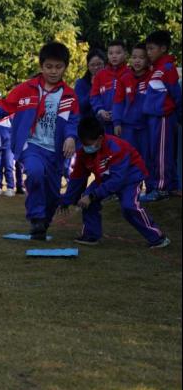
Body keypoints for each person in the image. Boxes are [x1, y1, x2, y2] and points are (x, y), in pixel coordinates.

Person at [0, 42, 79, 241]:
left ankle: (44, 221)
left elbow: (73, 121)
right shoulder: (26, 89)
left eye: (58, 67)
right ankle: (36, 218)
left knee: (52, 191)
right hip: (30, 145)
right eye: (49, 66)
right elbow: (5, 105)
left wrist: (70, 137)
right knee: (34, 172)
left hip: (56, 151)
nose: (53, 71)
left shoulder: (69, 95)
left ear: (65, 67)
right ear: (41, 66)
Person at [59, 117, 170, 249]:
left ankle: (157, 237)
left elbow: (117, 180)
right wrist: (67, 200)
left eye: (89, 144)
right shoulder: (83, 151)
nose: (86, 147)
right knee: (86, 199)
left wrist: (93, 196)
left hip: (130, 179)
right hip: (105, 178)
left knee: (129, 207)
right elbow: (78, 176)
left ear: (100, 138)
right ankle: (91, 235)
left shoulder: (117, 148)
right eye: (84, 144)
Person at [141, 30, 181, 201]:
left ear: (163, 48)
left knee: (162, 154)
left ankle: (163, 188)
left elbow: (176, 94)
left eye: (151, 49)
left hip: (164, 118)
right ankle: (162, 185)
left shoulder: (167, 68)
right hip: (153, 118)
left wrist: (178, 115)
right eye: (147, 49)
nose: (148, 53)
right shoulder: (155, 69)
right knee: (155, 152)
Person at [113, 44, 150, 162]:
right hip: (127, 127)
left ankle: (149, 181)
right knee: (129, 160)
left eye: (141, 57)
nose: (137, 61)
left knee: (148, 160)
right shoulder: (124, 78)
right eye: (134, 57)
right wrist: (117, 122)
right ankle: (133, 181)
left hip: (147, 127)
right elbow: (118, 102)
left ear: (148, 60)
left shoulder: (152, 77)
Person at [91, 40, 128, 134]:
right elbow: (94, 96)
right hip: (104, 124)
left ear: (125, 54)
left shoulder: (129, 74)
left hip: (124, 123)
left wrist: (119, 115)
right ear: (107, 55)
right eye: (111, 53)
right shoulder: (100, 75)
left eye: (118, 53)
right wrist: (100, 110)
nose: (114, 56)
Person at [75, 48, 107, 120]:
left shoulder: (110, 81)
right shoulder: (80, 83)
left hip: (106, 124)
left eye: (99, 64)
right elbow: (80, 107)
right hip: (87, 125)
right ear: (88, 66)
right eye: (92, 65)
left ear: (104, 64)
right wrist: (94, 87)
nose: (96, 67)